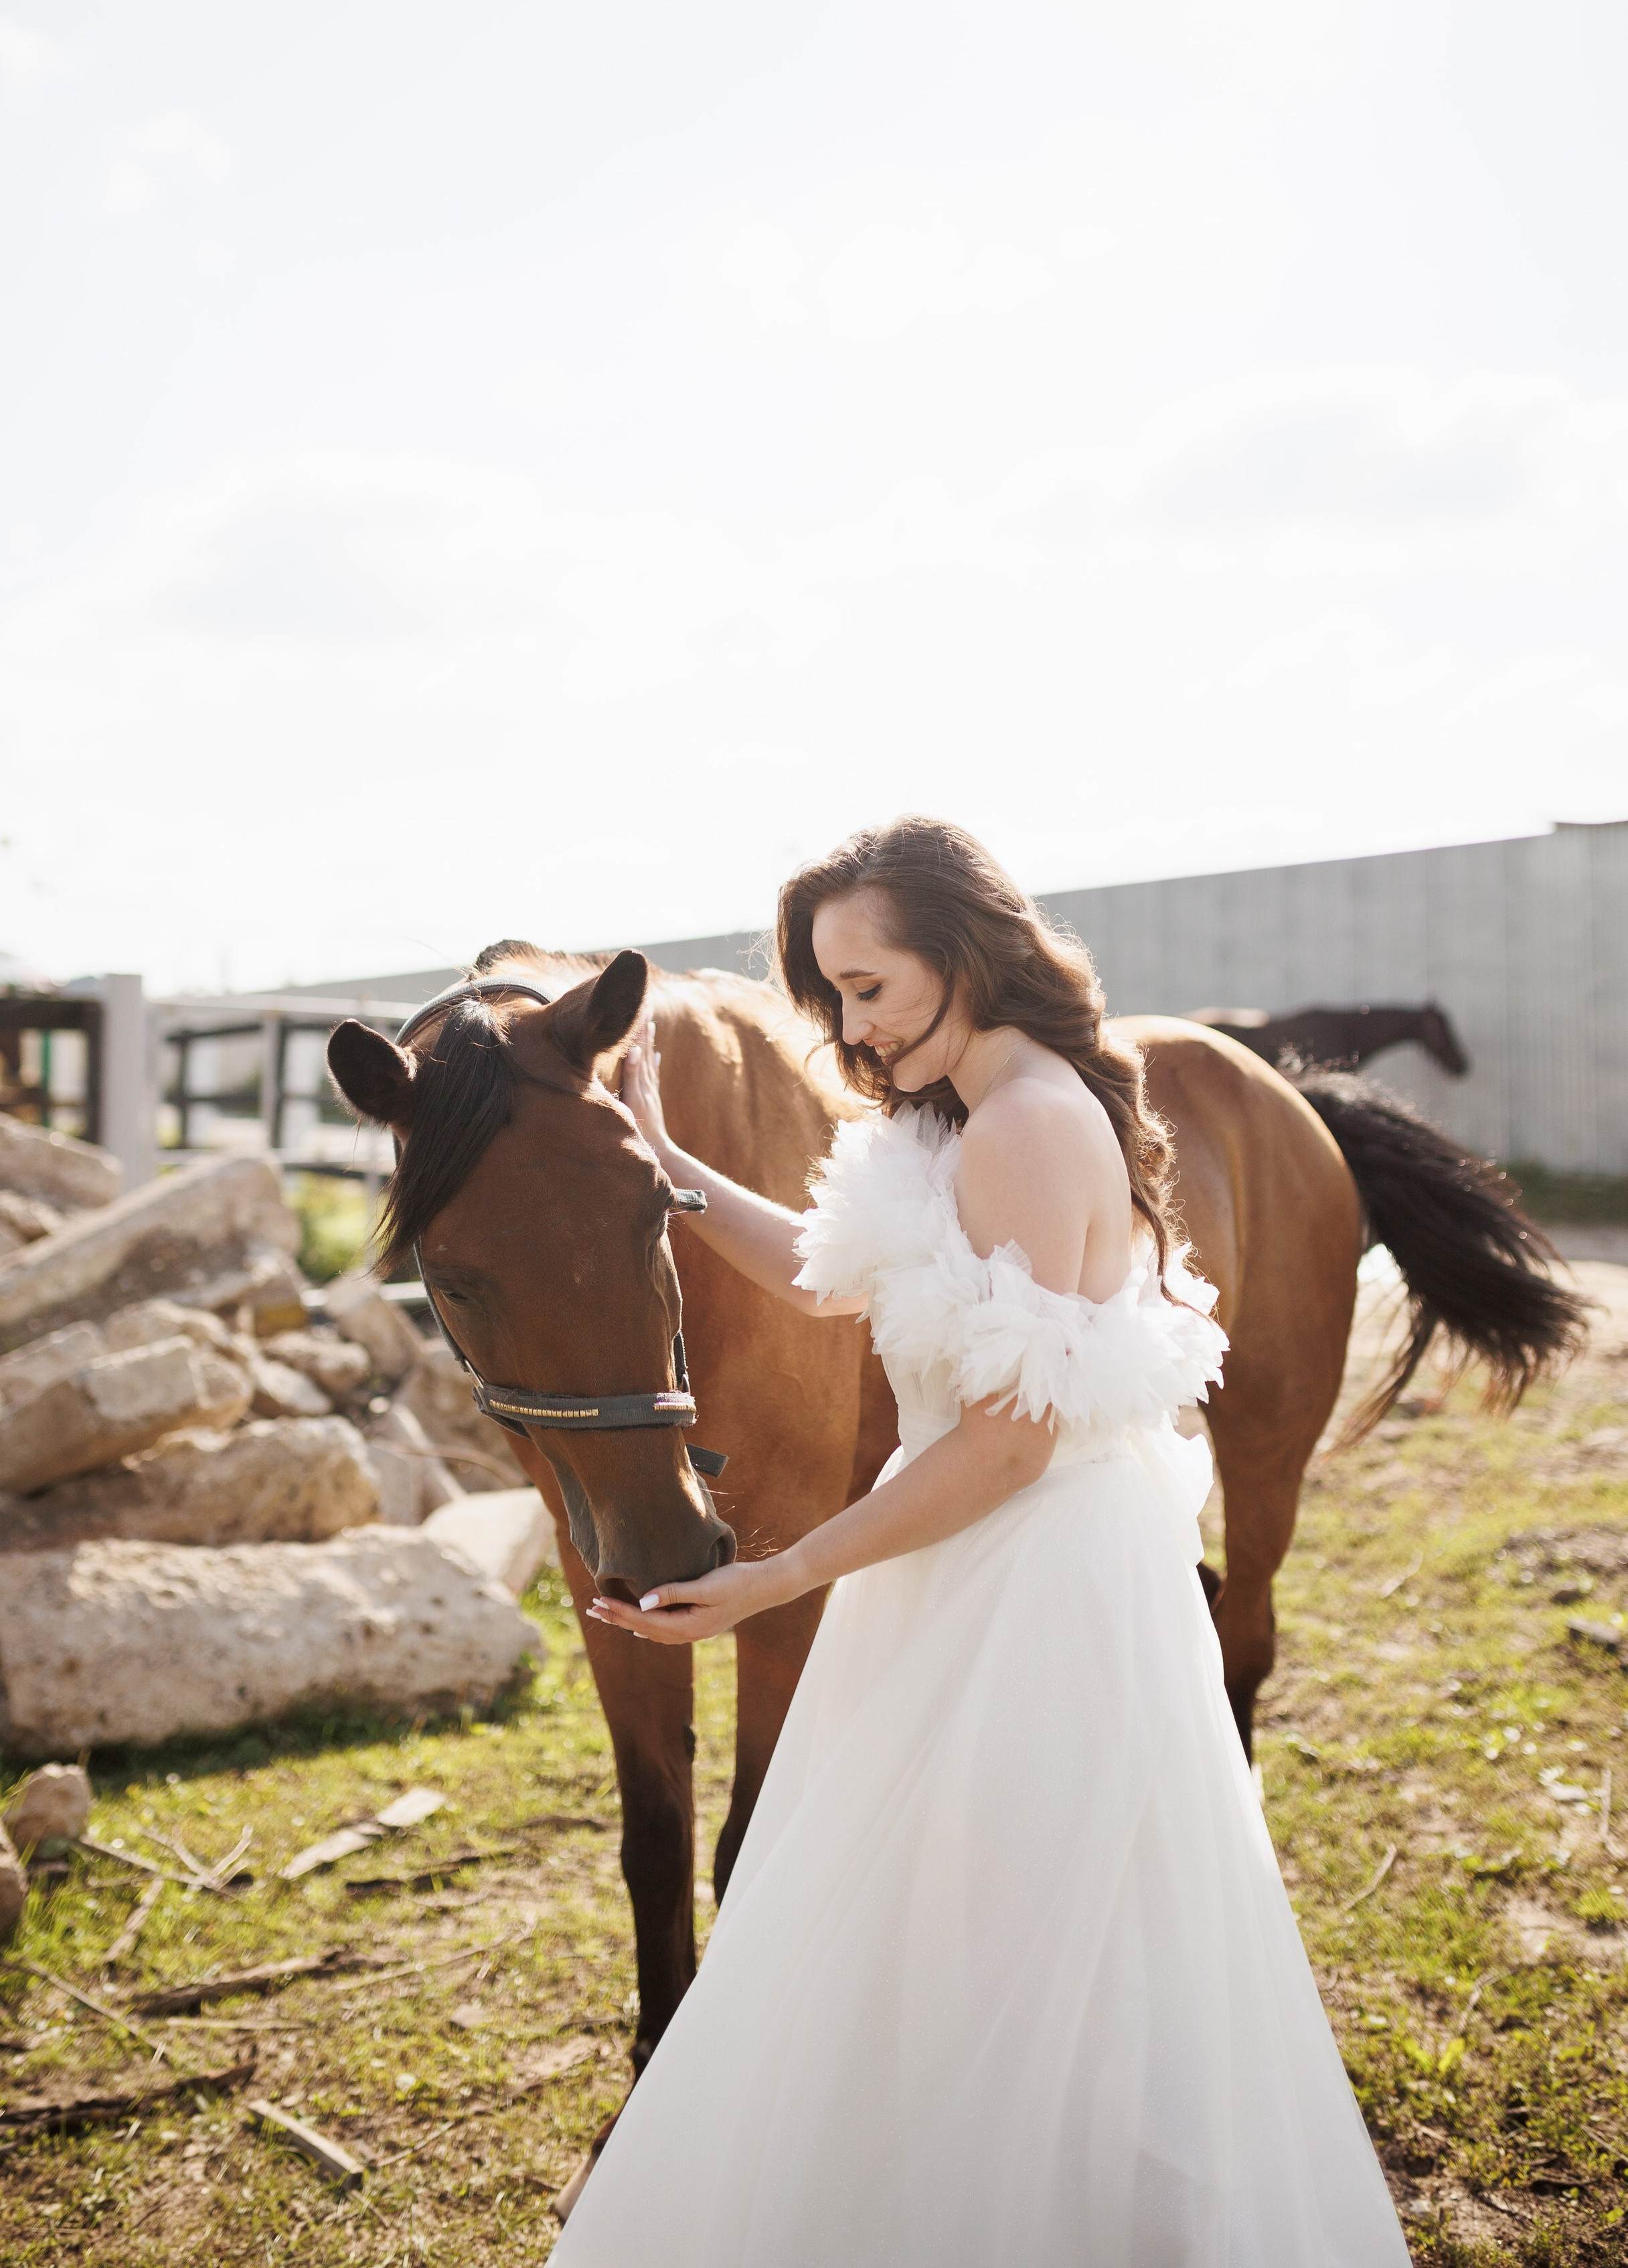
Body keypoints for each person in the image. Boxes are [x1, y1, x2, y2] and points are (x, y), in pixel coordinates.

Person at [552, 816, 1409, 2266]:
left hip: (1036, 1585)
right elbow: (836, 1283)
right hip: (957, 1565)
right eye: (829, 996)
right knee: (932, 1929)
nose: (851, 1028)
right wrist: (663, 1160)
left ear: (965, 957)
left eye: (870, 988)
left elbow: (1003, 1446)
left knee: (1019, 1936)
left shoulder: (1020, 1131)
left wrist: (781, 1573)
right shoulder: (957, 1113)